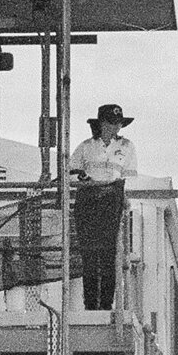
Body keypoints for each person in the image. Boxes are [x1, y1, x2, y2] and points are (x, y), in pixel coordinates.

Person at [71, 102, 135, 311]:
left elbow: (130, 176)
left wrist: (125, 198)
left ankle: (106, 304)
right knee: (89, 253)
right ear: (102, 124)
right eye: (111, 123)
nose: (115, 128)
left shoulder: (126, 146)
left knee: (108, 252)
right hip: (88, 197)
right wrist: (81, 175)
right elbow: (71, 170)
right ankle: (90, 304)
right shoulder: (86, 146)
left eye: (118, 124)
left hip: (111, 197)